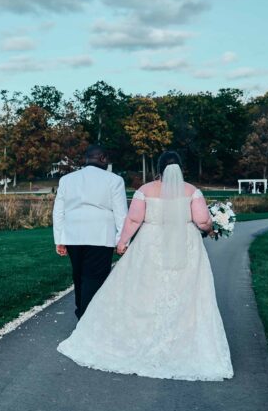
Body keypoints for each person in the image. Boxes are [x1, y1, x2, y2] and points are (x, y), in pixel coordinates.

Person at [56, 151, 234, 381]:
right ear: (180, 168)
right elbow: (201, 220)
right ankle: (181, 340)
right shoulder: (192, 191)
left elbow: (133, 219)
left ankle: (139, 336)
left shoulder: (145, 190)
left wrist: (122, 242)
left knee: (145, 290)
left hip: (150, 245)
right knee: (186, 292)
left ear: (158, 169)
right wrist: (211, 228)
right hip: (185, 246)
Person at [52, 144, 128, 319]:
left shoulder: (67, 180)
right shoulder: (114, 180)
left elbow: (59, 211)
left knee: (78, 276)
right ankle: (87, 319)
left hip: (72, 235)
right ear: (102, 159)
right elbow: (121, 213)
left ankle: (81, 312)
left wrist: (59, 239)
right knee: (94, 279)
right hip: (100, 236)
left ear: (87, 159)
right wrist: (122, 240)